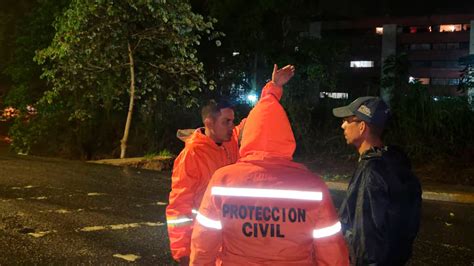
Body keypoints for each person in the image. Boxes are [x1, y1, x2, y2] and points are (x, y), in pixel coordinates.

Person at [190, 65, 349, 265]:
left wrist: (272, 90)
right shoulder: (313, 187)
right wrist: (272, 90)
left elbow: (203, 245)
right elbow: (332, 251)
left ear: (248, 135)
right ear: (287, 134)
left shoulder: (222, 180)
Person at [166, 65, 296, 265]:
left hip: (231, 240)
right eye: (226, 122)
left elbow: (257, 118)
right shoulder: (191, 156)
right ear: (209, 122)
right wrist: (182, 252)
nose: (232, 127)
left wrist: (274, 86)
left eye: (232, 121)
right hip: (205, 241)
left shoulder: (231, 140)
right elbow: (178, 207)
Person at [332, 96, 422, 265]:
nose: (342, 125)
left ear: (362, 127)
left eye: (347, 120)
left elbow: (366, 242)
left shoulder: (371, 172)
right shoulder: (395, 162)